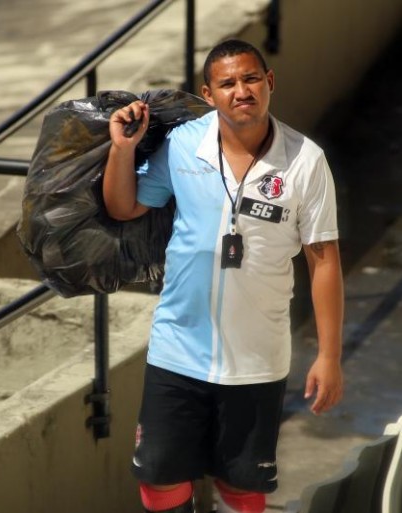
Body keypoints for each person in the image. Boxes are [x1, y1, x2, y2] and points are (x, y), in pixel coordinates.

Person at [102, 39, 344, 513]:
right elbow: (123, 206)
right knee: (159, 484)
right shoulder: (184, 144)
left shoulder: (306, 160)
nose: (242, 91)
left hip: (256, 359)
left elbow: (324, 260)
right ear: (209, 95)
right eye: (227, 83)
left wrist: (329, 356)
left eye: (251, 78)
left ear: (269, 82)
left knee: (242, 490)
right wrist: (121, 150)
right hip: (176, 350)